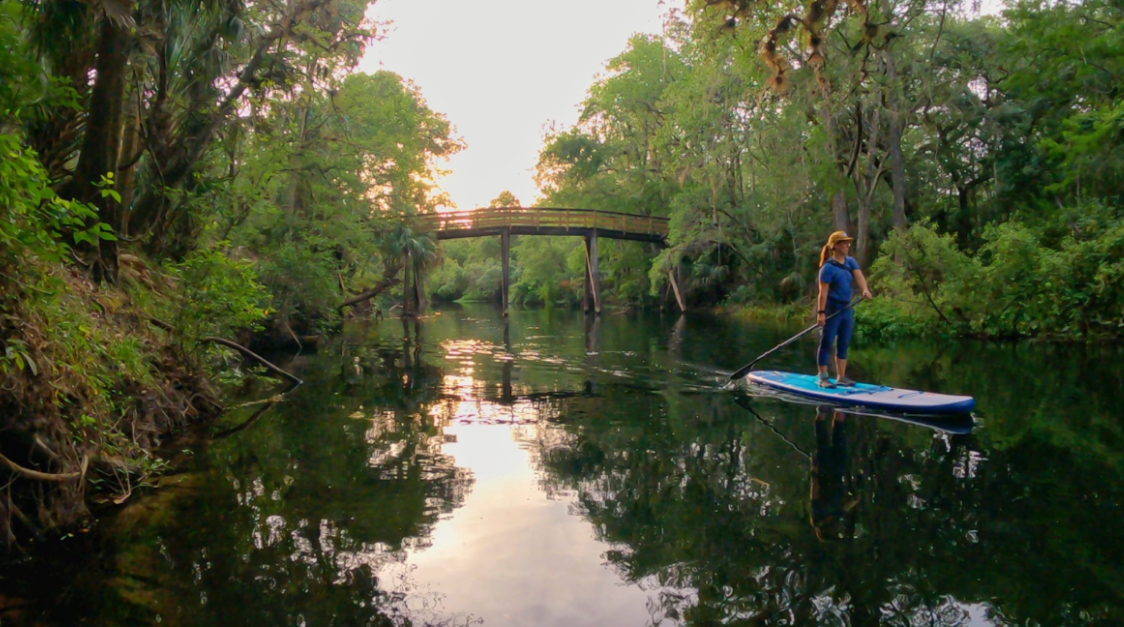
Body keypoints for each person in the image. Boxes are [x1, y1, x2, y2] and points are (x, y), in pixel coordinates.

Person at [815, 231, 872, 388]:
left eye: (848, 242)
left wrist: (865, 289)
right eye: (844, 242)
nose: (848, 245)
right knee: (827, 342)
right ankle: (823, 377)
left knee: (844, 342)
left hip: (847, 308)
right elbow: (823, 293)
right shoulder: (827, 268)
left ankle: (841, 377)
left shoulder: (850, 262)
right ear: (835, 246)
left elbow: (859, 276)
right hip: (832, 309)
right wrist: (821, 313)